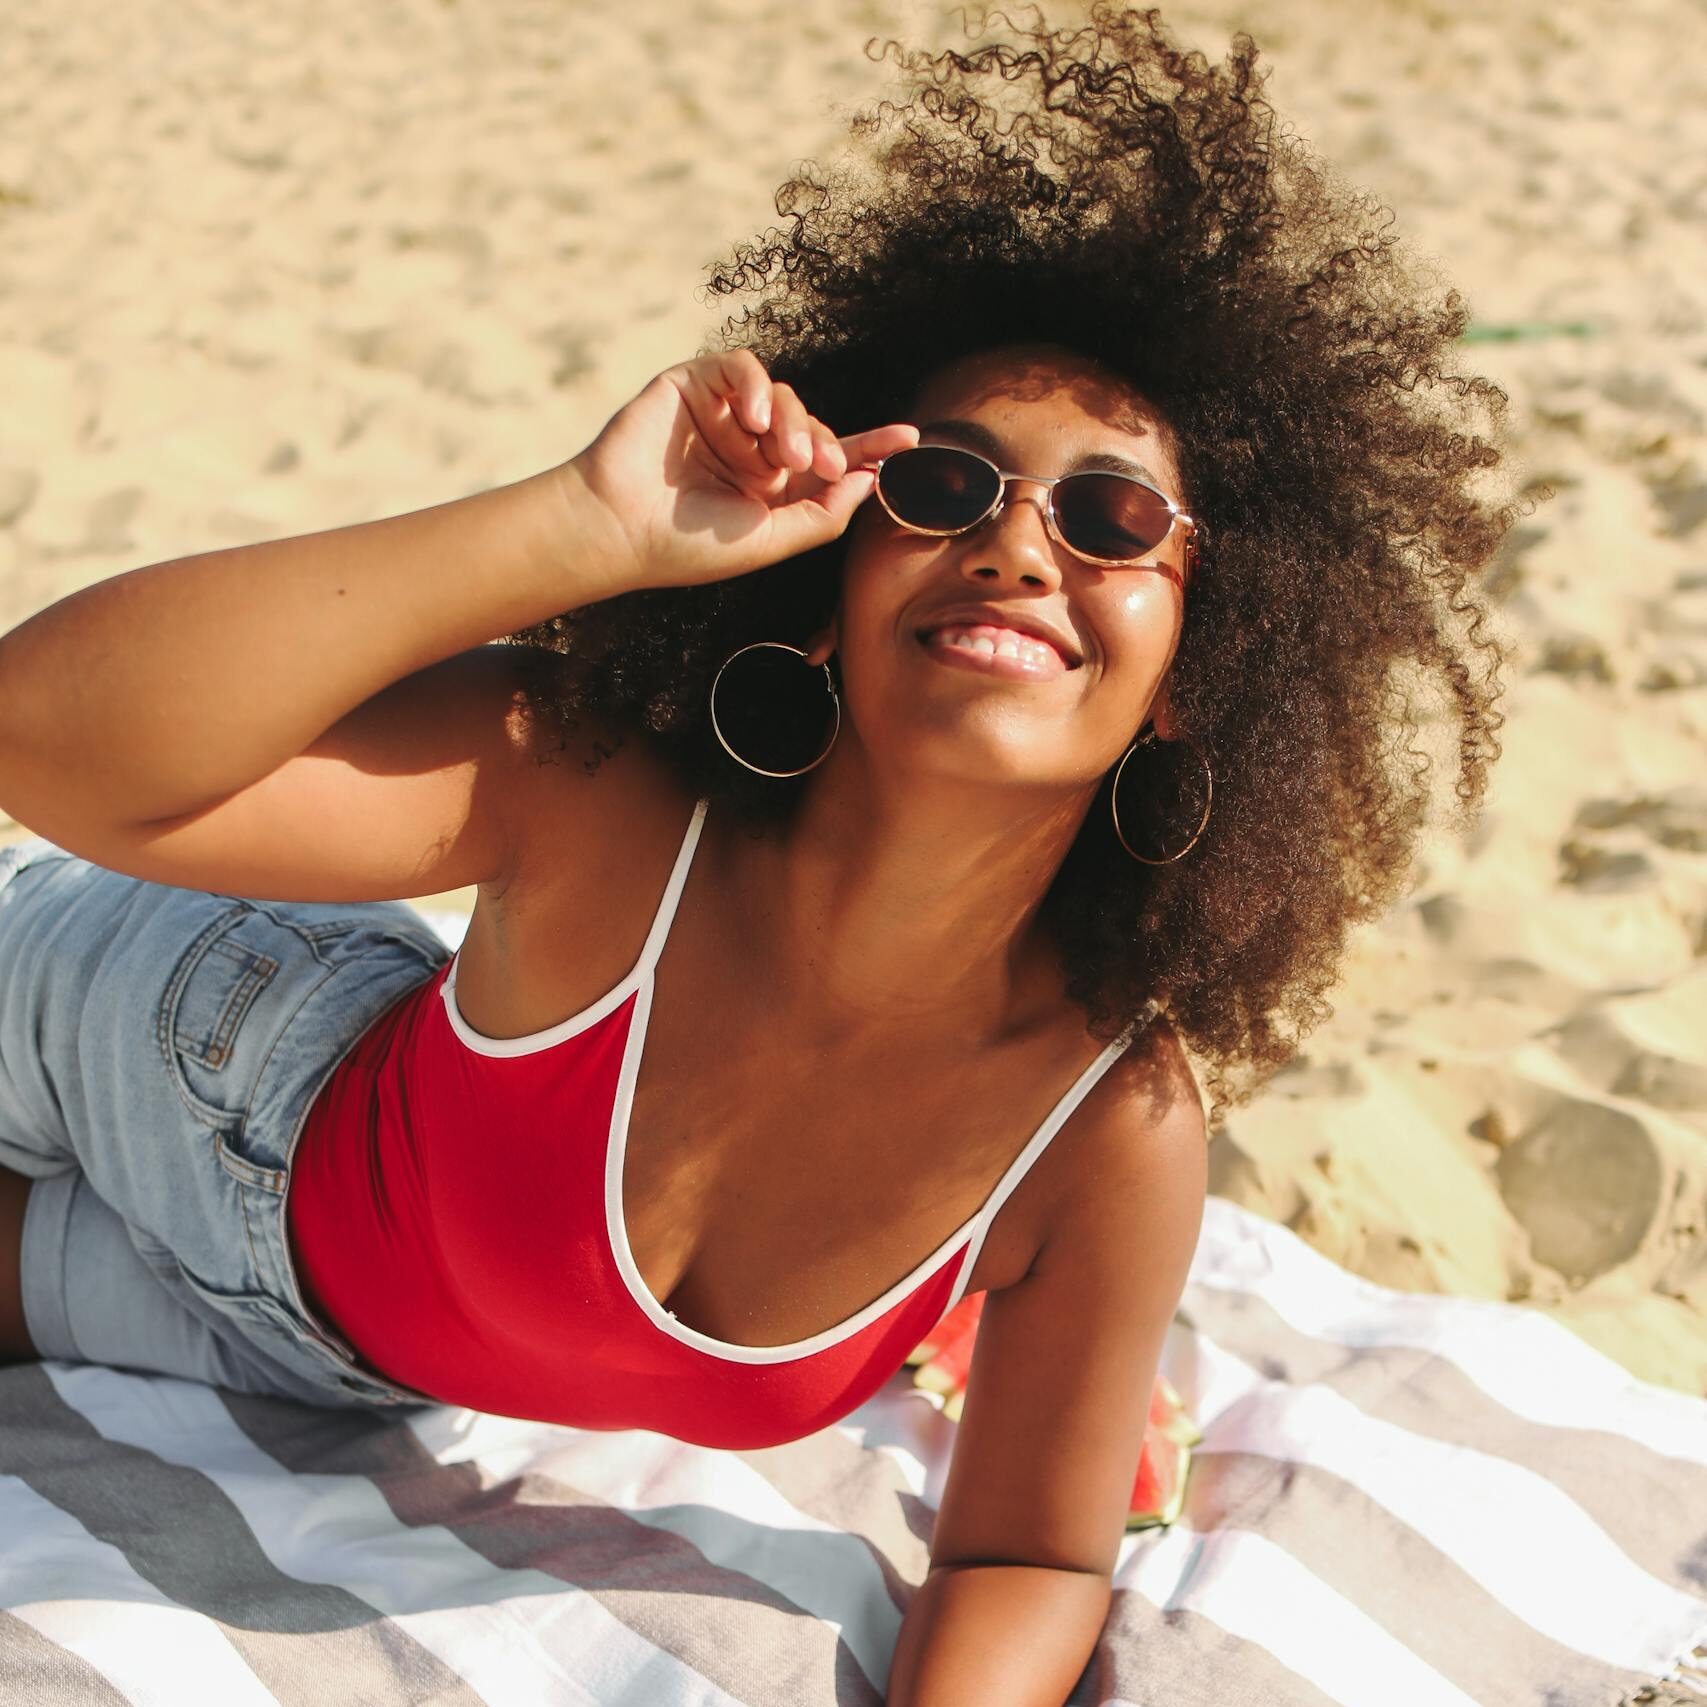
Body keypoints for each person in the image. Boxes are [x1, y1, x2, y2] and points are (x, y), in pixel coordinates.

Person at [0, 6, 1524, 1699]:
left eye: (1110, 521)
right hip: (181, 1042)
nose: (1021, 545)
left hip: (313, 1343)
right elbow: (53, 748)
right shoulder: (606, 803)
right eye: (945, 486)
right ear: (833, 582)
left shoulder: (1106, 1127)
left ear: (1194, 683)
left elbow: (1029, 1552)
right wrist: (576, 530)